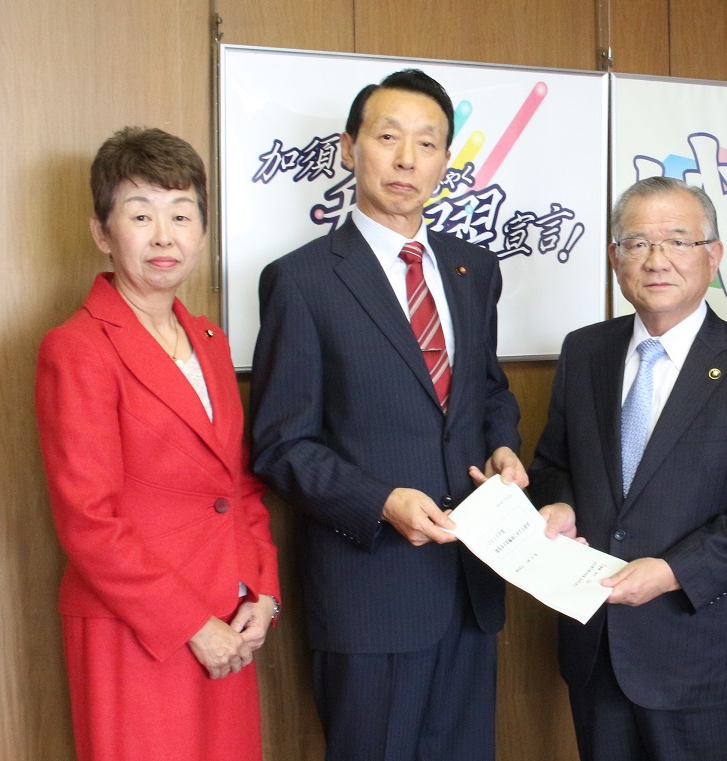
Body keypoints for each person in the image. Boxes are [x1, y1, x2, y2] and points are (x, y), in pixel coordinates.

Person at [250, 69, 562, 761]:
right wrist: (380, 500)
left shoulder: (473, 269)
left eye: (426, 143)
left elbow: (487, 390)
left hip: (472, 583)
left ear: (445, 160)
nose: (406, 159)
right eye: (388, 137)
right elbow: (280, 444)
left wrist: (504, 445)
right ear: (349, 147)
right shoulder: (301, 280)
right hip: (371, 594)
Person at [528, 176, 727, 761]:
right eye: (637, 243)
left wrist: (673, 571)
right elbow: (554, 463)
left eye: (678, 241)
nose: (656, 260)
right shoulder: (584, 351)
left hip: (698, 652)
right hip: (596, 643)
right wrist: (560, 504)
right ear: (615, 258)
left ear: (713, 255)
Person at [35, 127, 280, 761]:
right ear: (102, 232)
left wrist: (263, 592)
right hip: (136, 628)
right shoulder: (77, 347)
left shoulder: (210, 340)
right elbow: (89, 520)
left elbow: (239, 486)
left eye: (181, 214)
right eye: (141, 215)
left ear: (202, 230)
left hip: (228, 618)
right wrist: (191, 624)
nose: (164, 236)